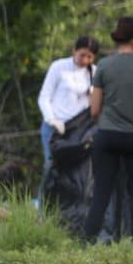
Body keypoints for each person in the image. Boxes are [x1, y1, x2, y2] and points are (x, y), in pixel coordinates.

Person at [83, 16, 133, 243]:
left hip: (108, 136)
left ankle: (86, 242)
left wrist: (105, 125)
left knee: (101, 194)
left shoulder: (104, 66)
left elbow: (94, 110)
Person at [37, 36, 100, 167]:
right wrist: (51, 119)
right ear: (74, 51)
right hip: (55, 128)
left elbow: (97, 104)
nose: (85, 60)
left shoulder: (95, 72)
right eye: (82, 55)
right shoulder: (59, 66)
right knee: (51, 166)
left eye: (89, 57)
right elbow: (44, 97)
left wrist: (92, 96)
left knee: (76, 170)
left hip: (77, 130)